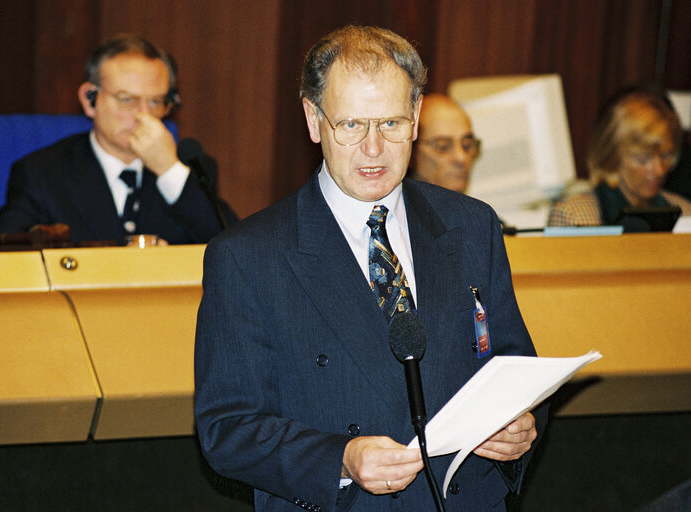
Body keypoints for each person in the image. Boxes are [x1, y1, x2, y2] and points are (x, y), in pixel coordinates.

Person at [194, 25, 545, 512]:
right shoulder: (249, 256)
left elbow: (513, 365)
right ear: (314, 120)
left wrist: (521, 426)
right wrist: (339, 458)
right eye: (352, 125)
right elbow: (227, 428)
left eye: (391, 124)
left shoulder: (471, 225)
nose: (374, 149)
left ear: (417, 117)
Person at [0, 35, 236, 245]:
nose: (143, 115)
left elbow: (238, 254)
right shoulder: (42, 173)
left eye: (155, 101)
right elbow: (0, 262)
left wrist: (169, 170)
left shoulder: (193, 170)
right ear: (90, 99)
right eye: (127, 99)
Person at [548, 89, 691, 226]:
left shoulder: (685, 213)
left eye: (666, 156)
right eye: (643, 159)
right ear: (612, 156)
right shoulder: (576, 216)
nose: (659, 170)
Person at [410, 94, 481, 193]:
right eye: (443, 147)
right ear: (411, 152)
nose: (462, 158)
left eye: (467, 145)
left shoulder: (478, 208)